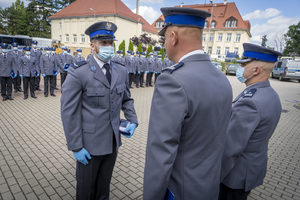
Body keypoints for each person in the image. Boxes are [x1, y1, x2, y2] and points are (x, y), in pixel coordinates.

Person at [143, 7, 233, 200]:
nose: (165, 44)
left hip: (180, 191)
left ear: (173, 37)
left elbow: (161, 152)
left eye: (165, 38)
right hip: (208, 186)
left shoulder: (173, 81)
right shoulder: (222, 78)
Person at [61, 21, 138, 200]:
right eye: (103, 43)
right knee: (86, 191)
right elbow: (68, 112)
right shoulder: (79, 72)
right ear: (92, 45)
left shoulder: (120, 70)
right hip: (89, 146)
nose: (108, 47)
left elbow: (126, 99)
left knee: (103, 189)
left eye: (111, 43)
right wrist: (76, 146)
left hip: (112, 142)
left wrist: (132, 120)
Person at [219, 43, 282, 200]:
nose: (240, 67)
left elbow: (231, 148)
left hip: (234, 176)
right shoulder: (270, 94)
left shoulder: (251, 101)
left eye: (244, 64)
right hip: (251, 168)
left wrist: (213, 175)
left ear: (256, 70)